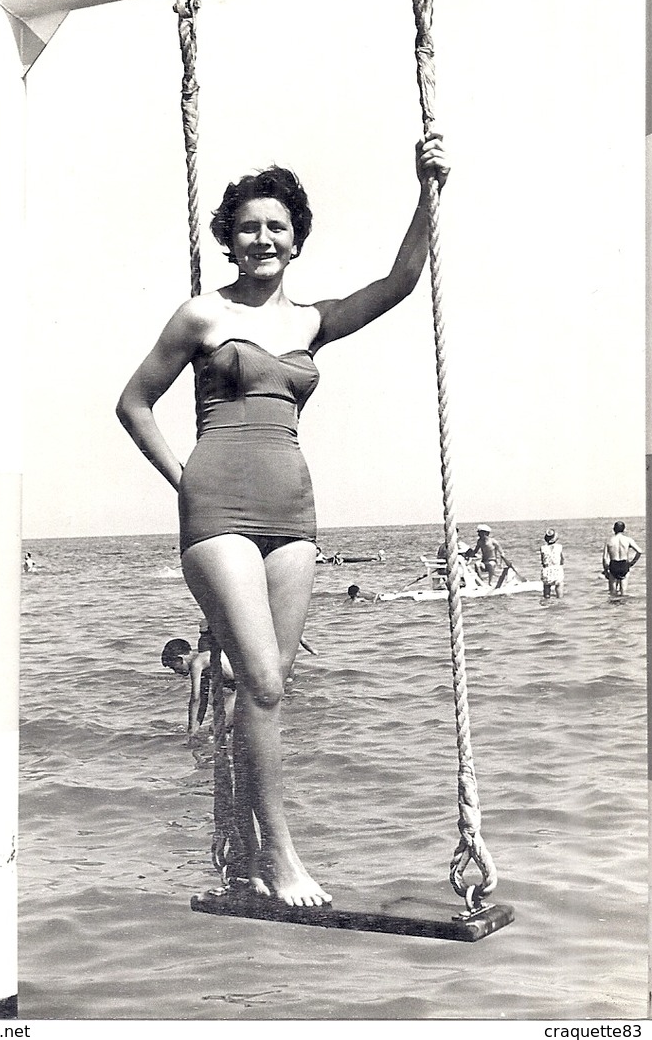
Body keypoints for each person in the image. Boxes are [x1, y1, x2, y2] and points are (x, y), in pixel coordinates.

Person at [116, 137, 449, 906]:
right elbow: (133, 402)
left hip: (291, 513)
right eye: (246, 227)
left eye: (276, 226)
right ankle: (280, 854)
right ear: (226, 238)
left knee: (265, 687)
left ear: (296, 238)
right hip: (217, 513)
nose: (261, 239)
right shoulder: (201, 314)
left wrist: (425, 190)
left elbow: (400, 281)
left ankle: (237, 839)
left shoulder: (312, 320)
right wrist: (183, 479)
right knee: (260, 679)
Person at [161, 636, 237, 735]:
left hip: (246, 687)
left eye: (174, 667)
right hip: (244, 687)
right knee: (225, 728)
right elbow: (202, 701)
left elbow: (195, 699)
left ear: (180, 658)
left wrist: (191, 731)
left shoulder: (197, 664)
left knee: (216, 728)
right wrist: (194, 729)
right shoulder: (203, 667)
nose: (176, 671)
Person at [602, 521, 642, 597]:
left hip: (614, 565)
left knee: (612, 594)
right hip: (624, 565)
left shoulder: (609, 541)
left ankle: (613, 608)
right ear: (624, 529)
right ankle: (624, 608)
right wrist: (632, 563)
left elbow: (604, 558)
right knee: (624, 593)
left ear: (614, 529)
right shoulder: (628, 540)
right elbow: (639, 551)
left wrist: (606, 571)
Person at [539, 528, 564, 600]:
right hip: (557, 568)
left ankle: (546, 602)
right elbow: (562, 560)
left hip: (547, 569)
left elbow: (543, 562)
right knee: (559, 586)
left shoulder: (543, 548)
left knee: (546, 588)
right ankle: (559, 602)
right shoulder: (559, 547)